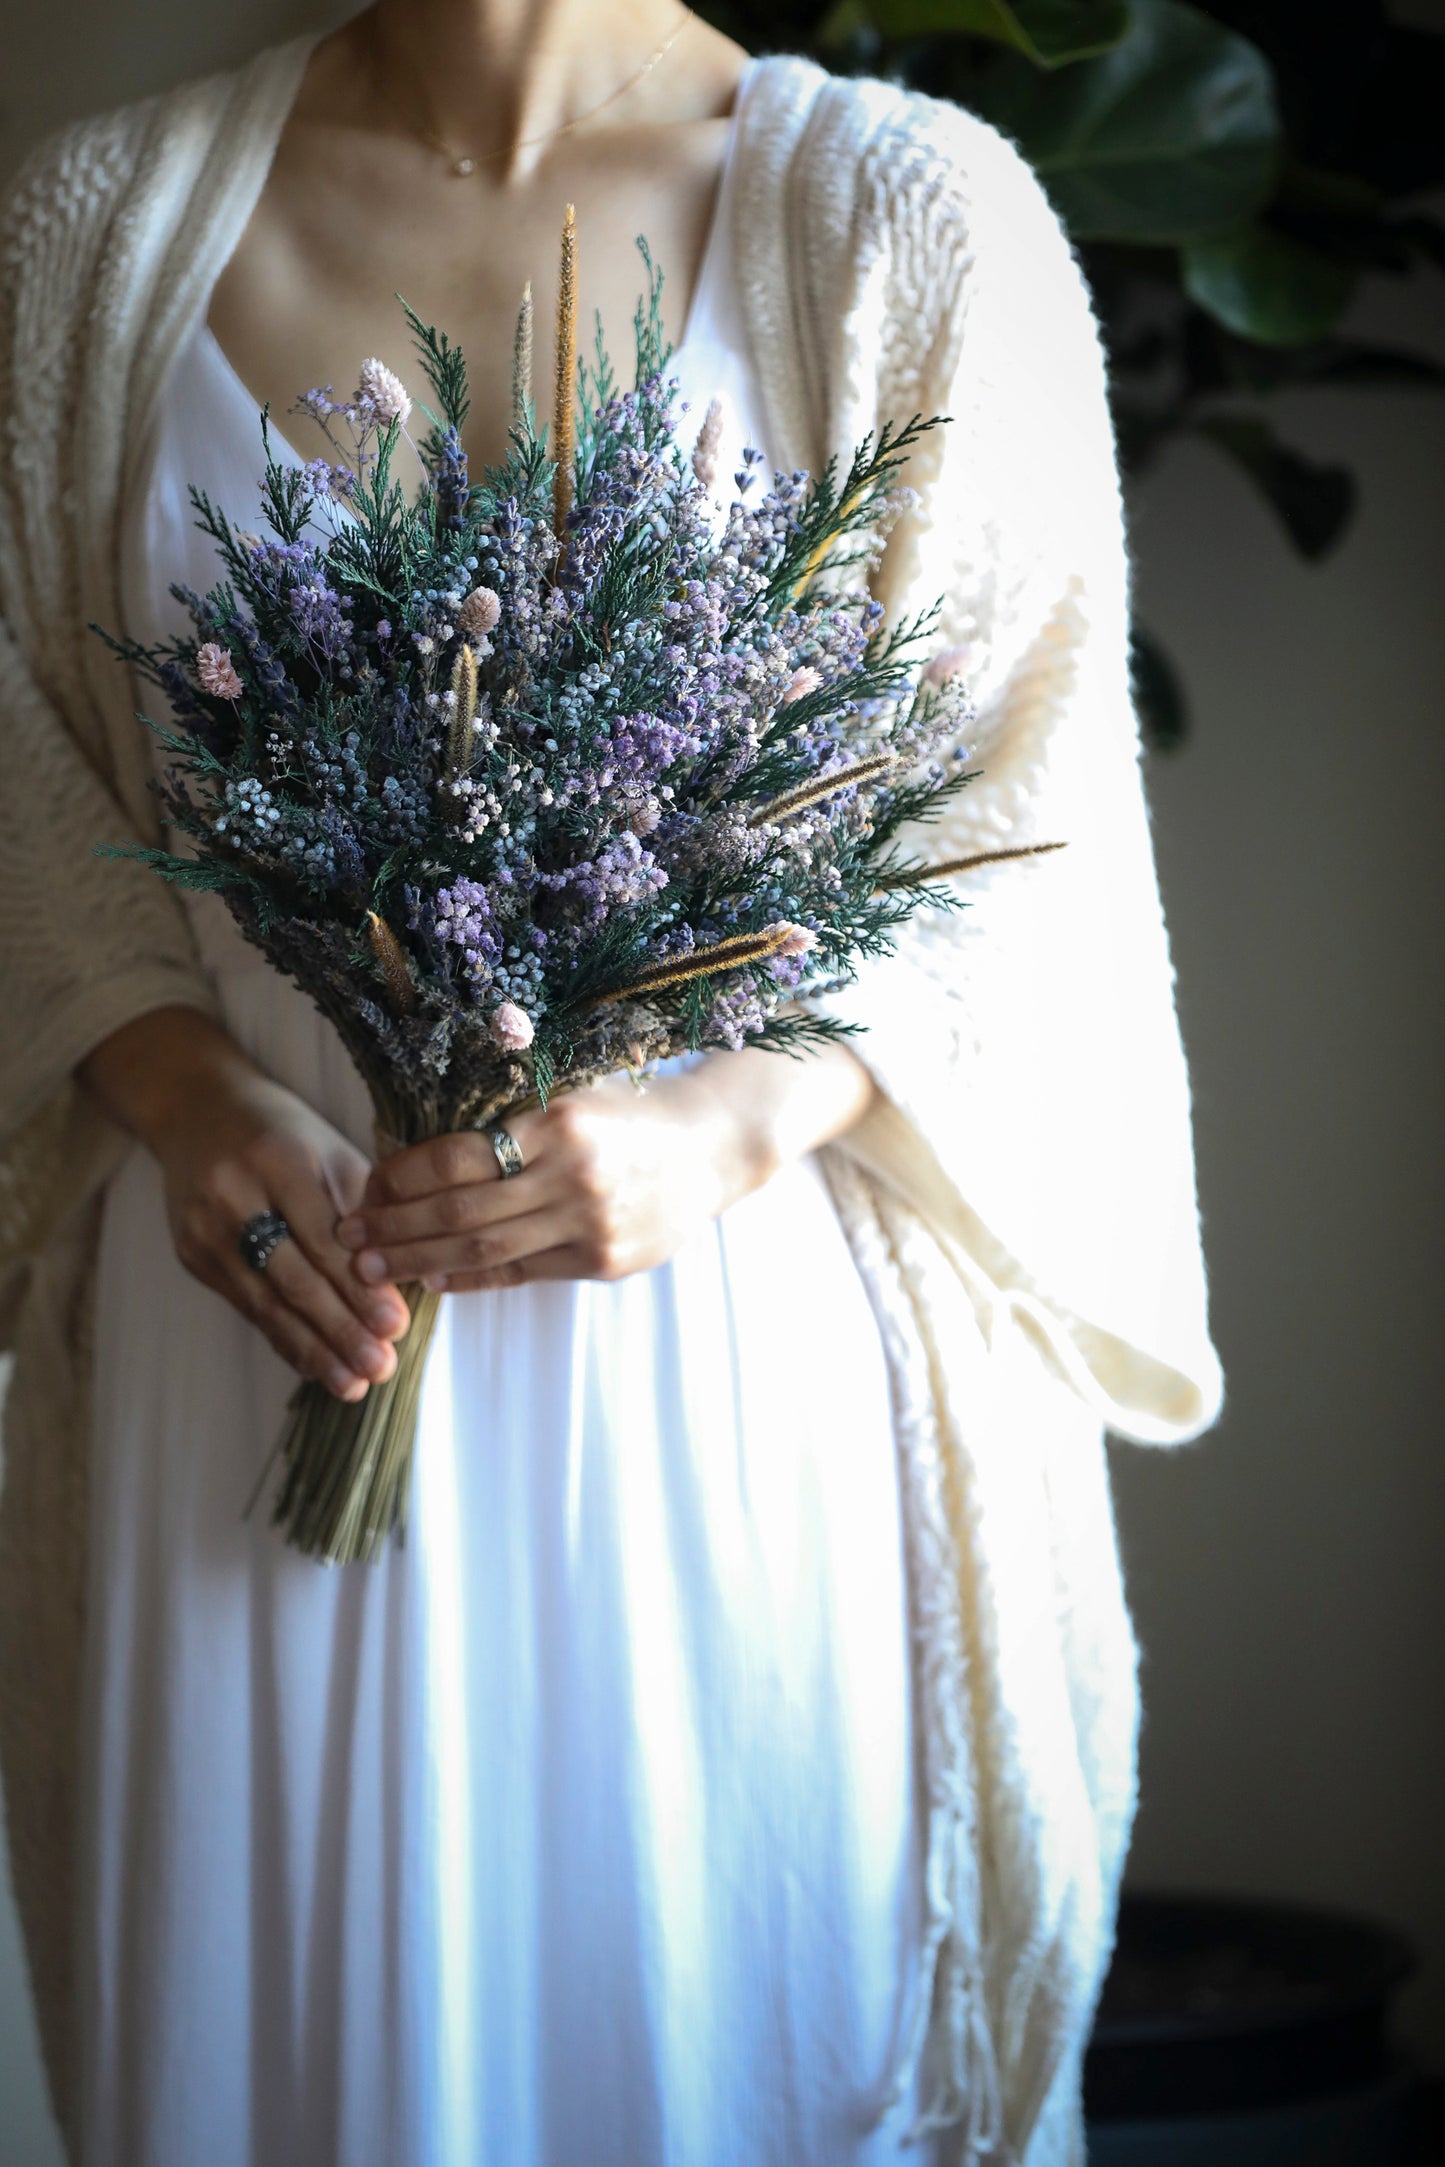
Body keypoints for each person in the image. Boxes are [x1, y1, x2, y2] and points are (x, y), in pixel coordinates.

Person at [0, 3, 1223, 2163]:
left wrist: (747, 1107)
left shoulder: (913, 222)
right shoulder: (88, 233)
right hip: (254, 1343)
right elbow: (16, 764)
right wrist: (182, 1089)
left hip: (723, 1389)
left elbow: (1033, 824)